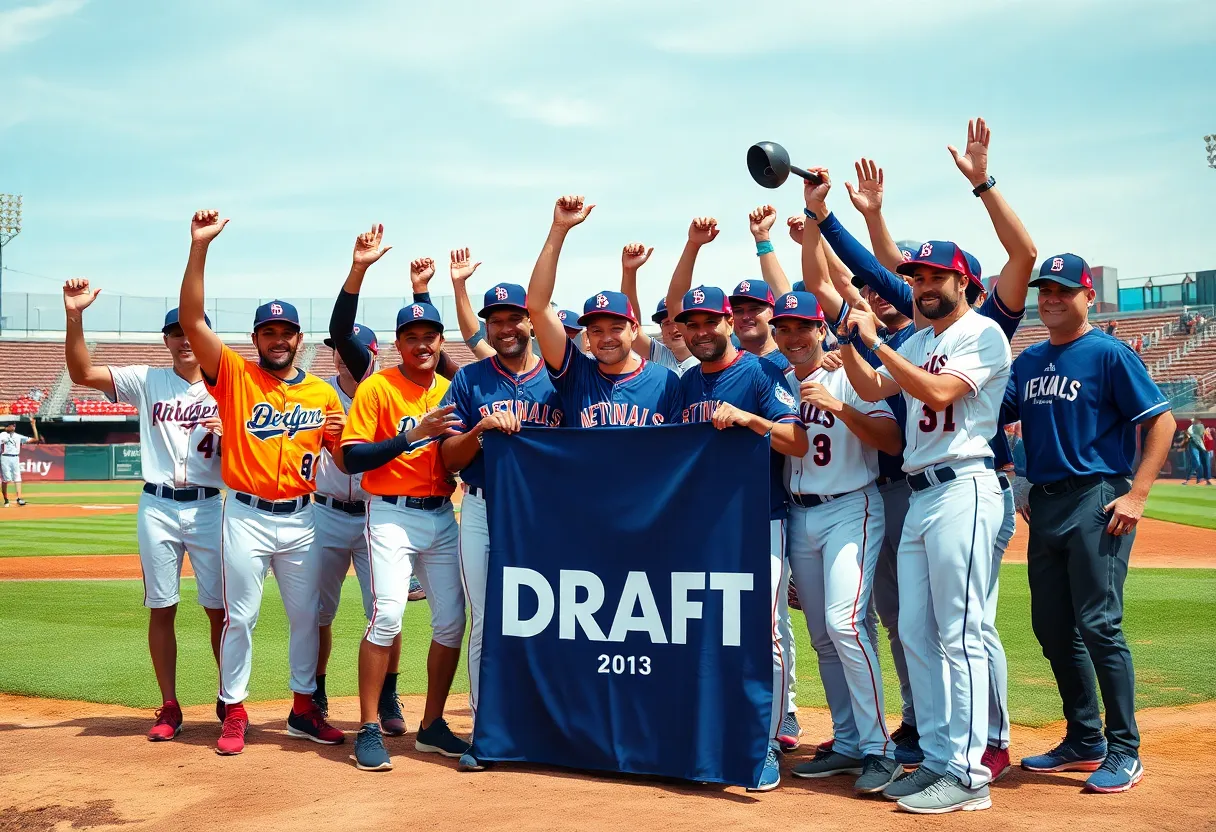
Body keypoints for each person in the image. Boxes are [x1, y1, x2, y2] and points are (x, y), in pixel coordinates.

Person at [810, 119, 1037, 782]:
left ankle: (973, 765)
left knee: (963, 630)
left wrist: (983, 185)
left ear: (964, 281)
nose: (920, 283)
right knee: (915, 631)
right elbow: (879, 382)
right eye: (917, 278)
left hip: (969, 480)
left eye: (936, 275)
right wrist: (852, 340)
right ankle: (937, 756)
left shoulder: (985, 330)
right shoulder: (912, 336)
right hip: (920, 488)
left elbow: (934, 393)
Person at [1005, 253, 1175, 794]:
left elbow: (1162, 421)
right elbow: (991, 418)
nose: (1051, 298)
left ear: (1087, 297)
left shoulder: (1108, 354)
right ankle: (1083, 738)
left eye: (1063, 289)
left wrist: (1138, 494)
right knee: (1051, 626)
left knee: (1098, 623)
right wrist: (1018, 477)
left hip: (1098, 496)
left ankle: (1125, 747)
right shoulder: (1028, 360)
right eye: (1044, 290)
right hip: (1047, 502)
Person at [179, 209, 346, 756]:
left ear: (299, 339)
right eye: (268, 332)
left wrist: (343, 441)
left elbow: (342, 464)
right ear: (255, 338)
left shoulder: (322, 394)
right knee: (240, 618)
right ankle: (234, 709)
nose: (278, 339)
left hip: (302, 517)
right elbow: (192, 319)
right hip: (246, 515)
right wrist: (199, 247)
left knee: (307, 618)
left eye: (286, 332)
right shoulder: (233, 375)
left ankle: (303, 708)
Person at [63, 280, 224, 740]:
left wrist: (230, 429)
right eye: (175, 332)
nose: (184, 338)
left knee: (219, 609)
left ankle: (228, 698)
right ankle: (170, 705)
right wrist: (75, 316)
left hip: (210, 506)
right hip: (157, 504)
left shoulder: (227, 385)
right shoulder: (147, 380)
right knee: (162, 606)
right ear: (166, 340)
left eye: (190, 330)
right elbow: (81, 373)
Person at [667, 210, 802, 751]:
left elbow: (793, 441)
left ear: (730, 322)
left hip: (758, 520)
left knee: (763, 634)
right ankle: (711, 728)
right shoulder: (682, 383)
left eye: (710, 322)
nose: (701, 332)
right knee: (702, 632)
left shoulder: (763, 372)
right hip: (702, 526)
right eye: (691, 324)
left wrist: (749, 420)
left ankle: (765, 740)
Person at [769, 284, 904, 797]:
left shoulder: (849, 374)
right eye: (784, 328)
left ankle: (880, 748)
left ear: (819, 328)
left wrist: (840, 406)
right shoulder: (777, 380)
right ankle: (848, 740)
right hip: (800, 515)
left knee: (845, 624)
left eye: (804, 326)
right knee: (823, 637)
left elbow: (891, 441)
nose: (794, 336)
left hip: (852, 504)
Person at [438, 280, 564, 773]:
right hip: (485, 509)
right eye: (496, 320)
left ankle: (548, 724)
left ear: (532, 321)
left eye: (514, 317)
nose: (506, 327)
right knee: (488, 619)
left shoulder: (559, 378)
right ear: (486, 327)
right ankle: (486, 729)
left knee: (552, 616)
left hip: (548, 514)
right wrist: (479, 431)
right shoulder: (470, 381)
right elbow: (449, 459)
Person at [341, 300, 471, 772]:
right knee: (387, 615)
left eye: (430, 335)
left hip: (441, 513)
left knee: (452, 622)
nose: (422, 344)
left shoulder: (453, 389)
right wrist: (414, 435)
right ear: (398, 344)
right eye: (412, 336)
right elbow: (353, 458)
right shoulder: (377, 387)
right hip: (391, 514)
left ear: (441, 341)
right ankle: (370, 727)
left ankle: (432, 725)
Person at [311, 223, 398, 733]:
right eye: (336, 348)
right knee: (318, 612)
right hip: (323, 513)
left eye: (349, 348)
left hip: (374, 513)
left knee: (385, 610)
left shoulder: (384, 391)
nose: (340, 353)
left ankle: (388, 695)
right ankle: (317, 691)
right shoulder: (315, 393)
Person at [526, 195, 682, 427]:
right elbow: (537, 306)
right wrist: (559, 229)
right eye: (597, 330)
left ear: (634, 329)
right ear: (587, 335)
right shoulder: (576, 374)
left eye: (617, 328)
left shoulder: (666, 380)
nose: (607, 338)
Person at [618, 243, 699, 375]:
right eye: (666, 323)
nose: (673, 329)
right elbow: (633, 327)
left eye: (675, 321)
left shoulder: (707, 352)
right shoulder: (660, 355)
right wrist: (629, 272)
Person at [0, 418, 40, 507]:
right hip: (5, 457)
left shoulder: (18, 436)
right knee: (6, 480)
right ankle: (6, 499)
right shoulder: (2, 435)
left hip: (15, 457)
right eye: (10, 425)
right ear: (6, 427)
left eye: (13, 425)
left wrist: (33, 425)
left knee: (18, 478)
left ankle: (19, 498)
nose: (13, 427)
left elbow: (36, 439)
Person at [1183, 417, 1212, 485]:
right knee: (1196, 461)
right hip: (1194, 443)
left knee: (1205, 462)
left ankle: (1206, 479)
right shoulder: (1191, 427)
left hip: (1202, 444)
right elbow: (1190, 435)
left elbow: (1205, 435)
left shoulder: (1201, 426)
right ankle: (1195, 478)